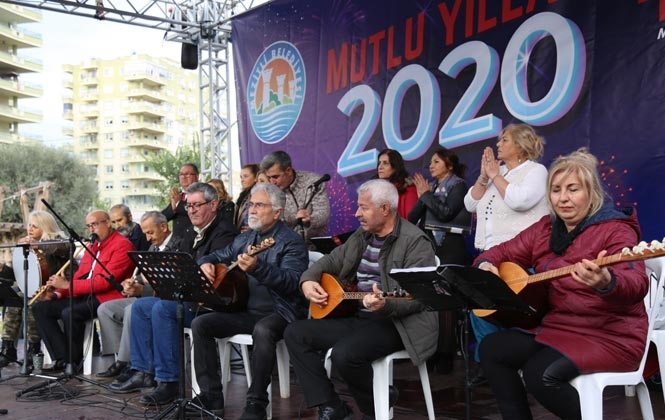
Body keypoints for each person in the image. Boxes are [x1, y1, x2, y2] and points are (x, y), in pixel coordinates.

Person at [477, 148, 648, 420]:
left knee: (540, 374)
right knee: (492, 348)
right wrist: (486, 265)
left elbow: (637, 282)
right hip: (558, 328)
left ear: (591, 192)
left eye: (573, 189)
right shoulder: (545, 228)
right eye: (556, 190)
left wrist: (607, 281)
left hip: (610, 335)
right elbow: (498, 252)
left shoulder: (616, 229)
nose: (563, 198)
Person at [284, 179, 438, 420]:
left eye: (364, 207)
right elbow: (331, 260)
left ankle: (375, 407)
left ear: (385, 209)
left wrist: (386, 303)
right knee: (295, 333)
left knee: (345, 355)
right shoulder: (363, 234)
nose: (357, 213)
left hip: (399, 323)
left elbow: (420, 297)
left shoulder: (415, 241)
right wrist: (308, 279)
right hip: (359, 316)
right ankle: (331, 405)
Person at [110, 182, 237, 406]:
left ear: (214, 204)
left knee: (162, 308)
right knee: (140, 307)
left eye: (197, 205)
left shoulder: (224, 230)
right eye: (188, 206)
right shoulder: (189, 233)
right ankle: (143, 371)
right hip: (190, 298)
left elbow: (218, 265)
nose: (191, 211)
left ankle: (169, 382)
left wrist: (199, 266)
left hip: (211, 304)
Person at [191, 182, 309, 419]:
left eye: (259, 205)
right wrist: (205, 262)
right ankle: (211, 396)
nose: (251, 210)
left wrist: (259, 267)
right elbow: (217, 255)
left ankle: (256, 402)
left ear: (277, 212)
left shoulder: (292, 242)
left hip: (282, 312)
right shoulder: (247, 238)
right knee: (200, 324)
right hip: (246, 311)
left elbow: (292, 283)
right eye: (250, 204)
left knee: (263, 329)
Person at [463, 123, 550, 383]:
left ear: (521, 145)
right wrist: (484, 176)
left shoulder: (535, 171)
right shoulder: (495, 172)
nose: (498, 144)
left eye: (504, 140)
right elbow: (470, 203)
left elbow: (519, 200)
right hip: (489, 257)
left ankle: (516, 361)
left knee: (515, 312)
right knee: (479, 307)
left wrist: (496, 176)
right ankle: (490, 363)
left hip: (520, 258)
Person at [31, 210, 136, 372]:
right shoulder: (92, 247)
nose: (91, 230)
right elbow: (80, 276)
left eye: (94, 224)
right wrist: (57, 293)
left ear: (107, 223)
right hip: (84, 294)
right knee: (40, 308)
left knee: (70, 313)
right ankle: (62, 358)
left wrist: (67, 286)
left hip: (105, 298)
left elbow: (104, 283)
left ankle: (73, 363)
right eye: (88, 226)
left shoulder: (122, 245)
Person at [96, 211, 182, 379]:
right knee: (106, 309)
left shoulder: (179, 245)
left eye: (150, 232)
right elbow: (144, 275)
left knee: (133, 309)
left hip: (162, 300)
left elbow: (171, 286)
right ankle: (123, 362)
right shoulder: (153, 246)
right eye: (145, 234)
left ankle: (132, 365)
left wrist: (143, 290)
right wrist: (132, 283)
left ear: (164, 227)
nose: (148, 238)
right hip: (147, 296)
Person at [408, 148, 471, 374]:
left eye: (436, 162)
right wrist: (423, 195)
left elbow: (445, 213)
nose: (431, 166)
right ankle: (432, 350)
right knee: (432, 302)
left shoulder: (459, 186)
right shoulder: (431, 189)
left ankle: (446, 356)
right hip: (430, 251)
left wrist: (426, 195)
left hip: (450, 251)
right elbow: (412, 218)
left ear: (449, 166)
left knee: (447, 304)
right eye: (430, 163)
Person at [0, 211, 71, 369]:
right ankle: (8, 347)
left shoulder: (57, 241)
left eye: (35, 226)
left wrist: (39, 245)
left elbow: (65, 247)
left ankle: (34, 349)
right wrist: (3, 269)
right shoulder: (28, 245)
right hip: (34, 288)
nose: (30, 229)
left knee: (32, 301)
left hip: (57, 289)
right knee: (13, 300)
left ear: (45, 227)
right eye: (29, 226)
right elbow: (18, 276)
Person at [260, 150, 330, 248]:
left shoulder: (314, 182)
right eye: (269, 177)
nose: (272, 182)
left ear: (288, 171)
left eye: (275, 177)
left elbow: (323, 214)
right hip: (282, 247)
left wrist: (310, 219)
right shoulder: (269, 189)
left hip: (313, 247)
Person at [376, 149, 418, 219]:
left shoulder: (408, 190)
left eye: (385, 163)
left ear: (395, 166)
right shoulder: (375, 189)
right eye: (379, 163)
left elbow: (410, 222)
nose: (380, 167)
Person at [163, 163, 199, 238]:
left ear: (197, 176)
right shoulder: (178, 195)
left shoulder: (201, 193)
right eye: (181, 174)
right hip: (177, 241)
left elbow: (197, 212)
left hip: (194, 239)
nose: (184, 177)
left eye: (187, 174)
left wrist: (178, 204)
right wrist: (173, 208)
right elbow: (164, 217)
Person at [234, 163, 260, 232]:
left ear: (255, 178)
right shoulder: (243, 195)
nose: (242, 180)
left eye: (246, 176)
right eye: (241, 177)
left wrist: (256, 228)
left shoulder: (257, 195)